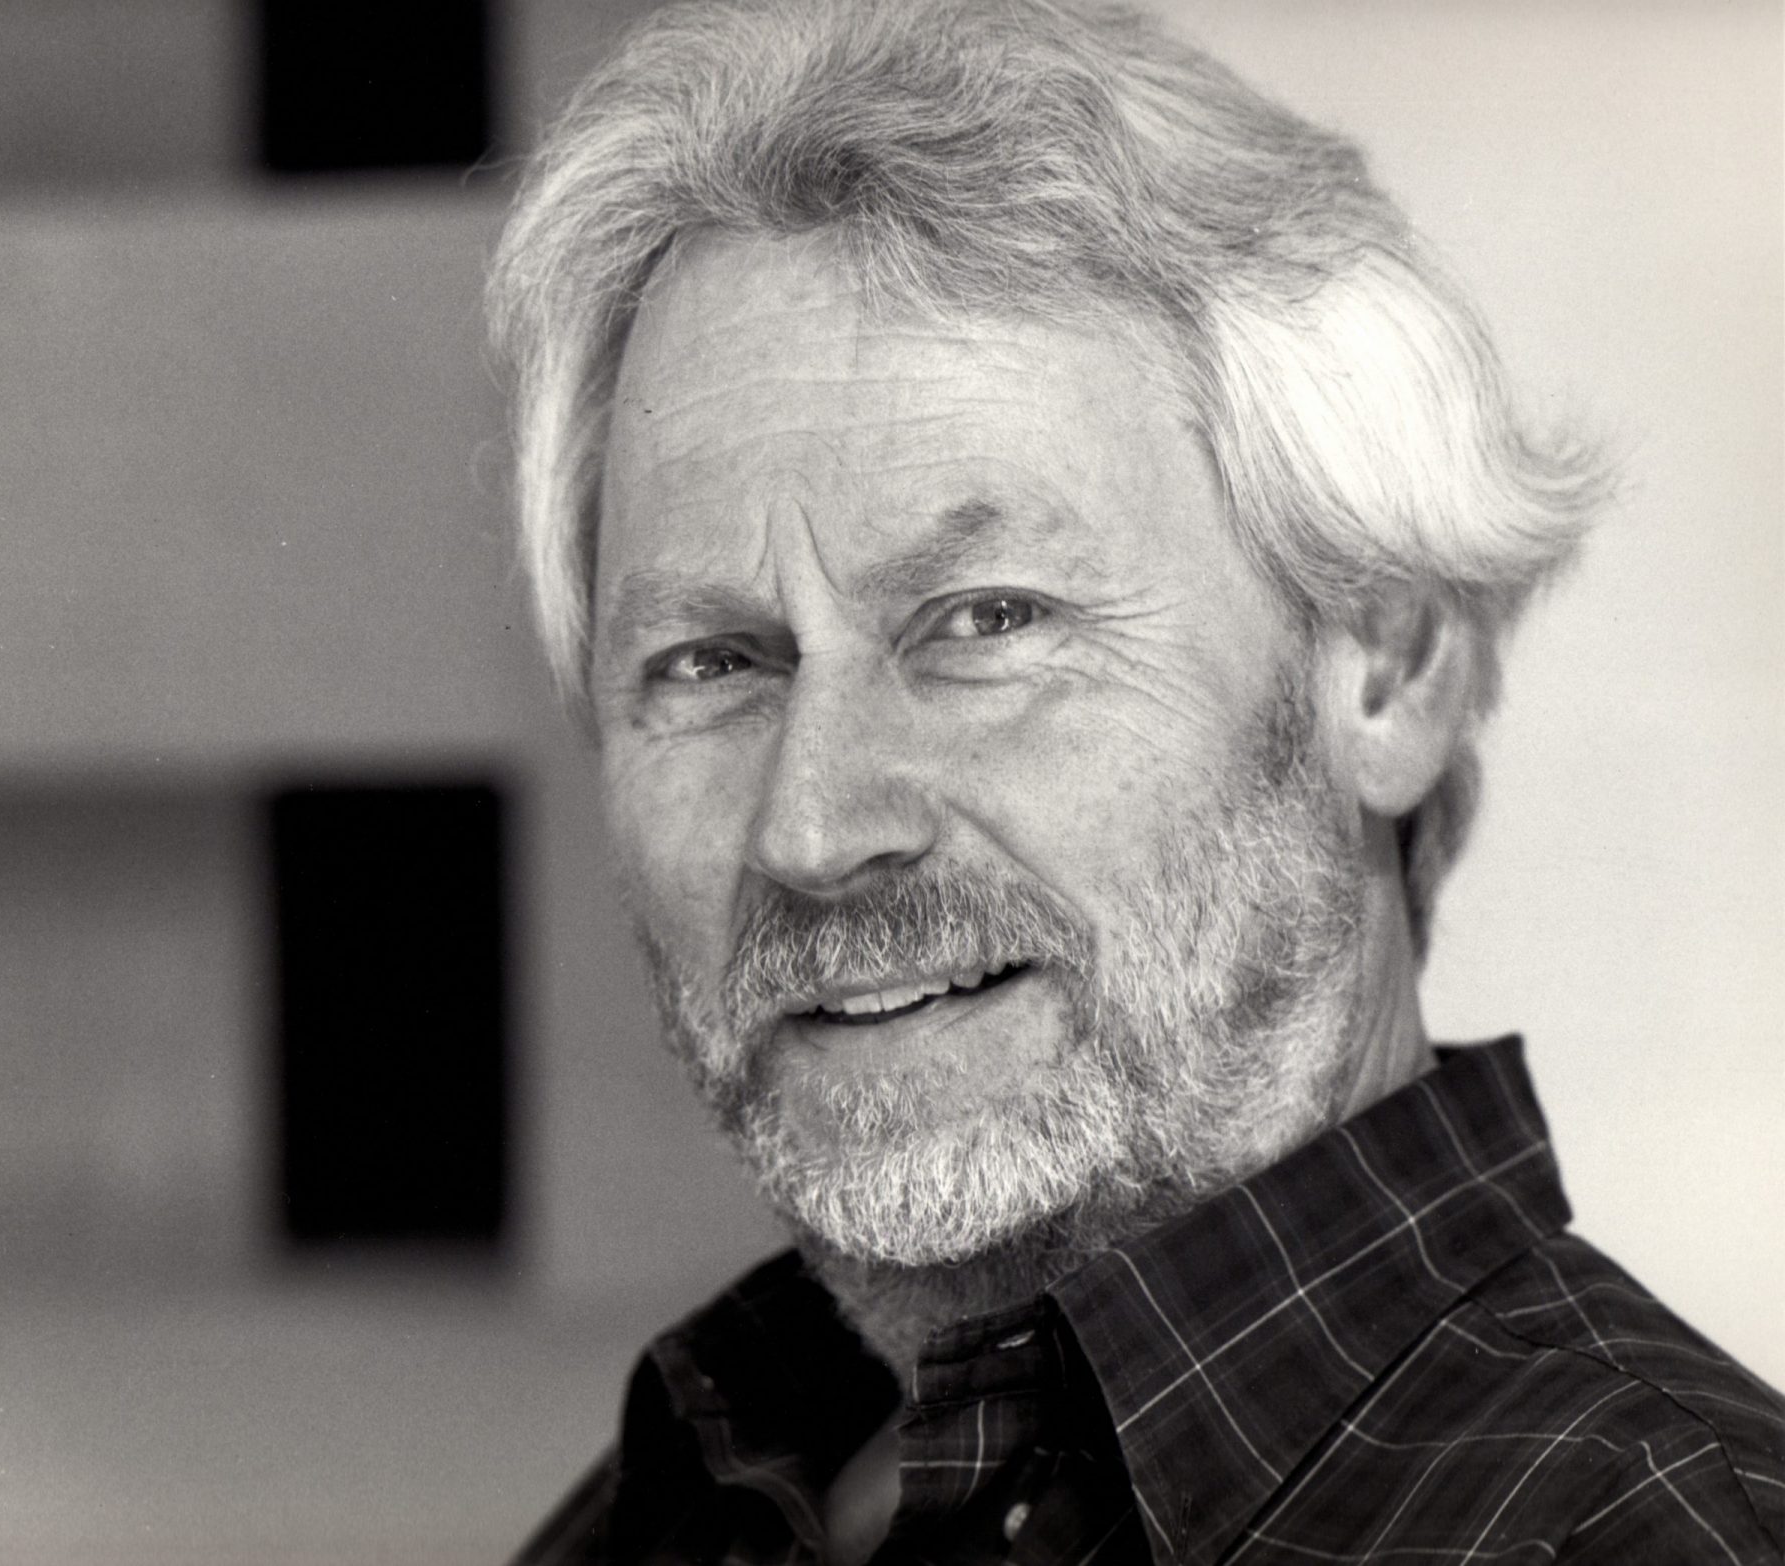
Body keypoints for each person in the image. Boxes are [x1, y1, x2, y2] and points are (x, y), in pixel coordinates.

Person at [488, 0, 1785, 1559]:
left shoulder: (1661, 1530)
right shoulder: (675, 1499)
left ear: (1387, 667)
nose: (815, 827)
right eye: (713, 661)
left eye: (987, 620)